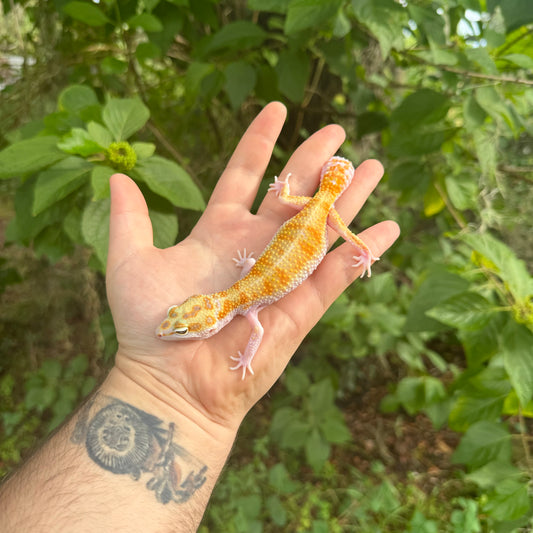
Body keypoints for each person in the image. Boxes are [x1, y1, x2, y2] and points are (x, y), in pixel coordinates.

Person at [0, 102, 400, 531]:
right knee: (324, 231)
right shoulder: (242, 298)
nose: (170, 328)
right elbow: (254, 287)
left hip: (307, 223)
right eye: (180, 319)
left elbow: (256, 324)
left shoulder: (245, 307)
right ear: (205, 306)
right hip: (303, 224)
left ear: (210, 317)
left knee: (334, 228)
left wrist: (248, 356)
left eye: (184, 324)